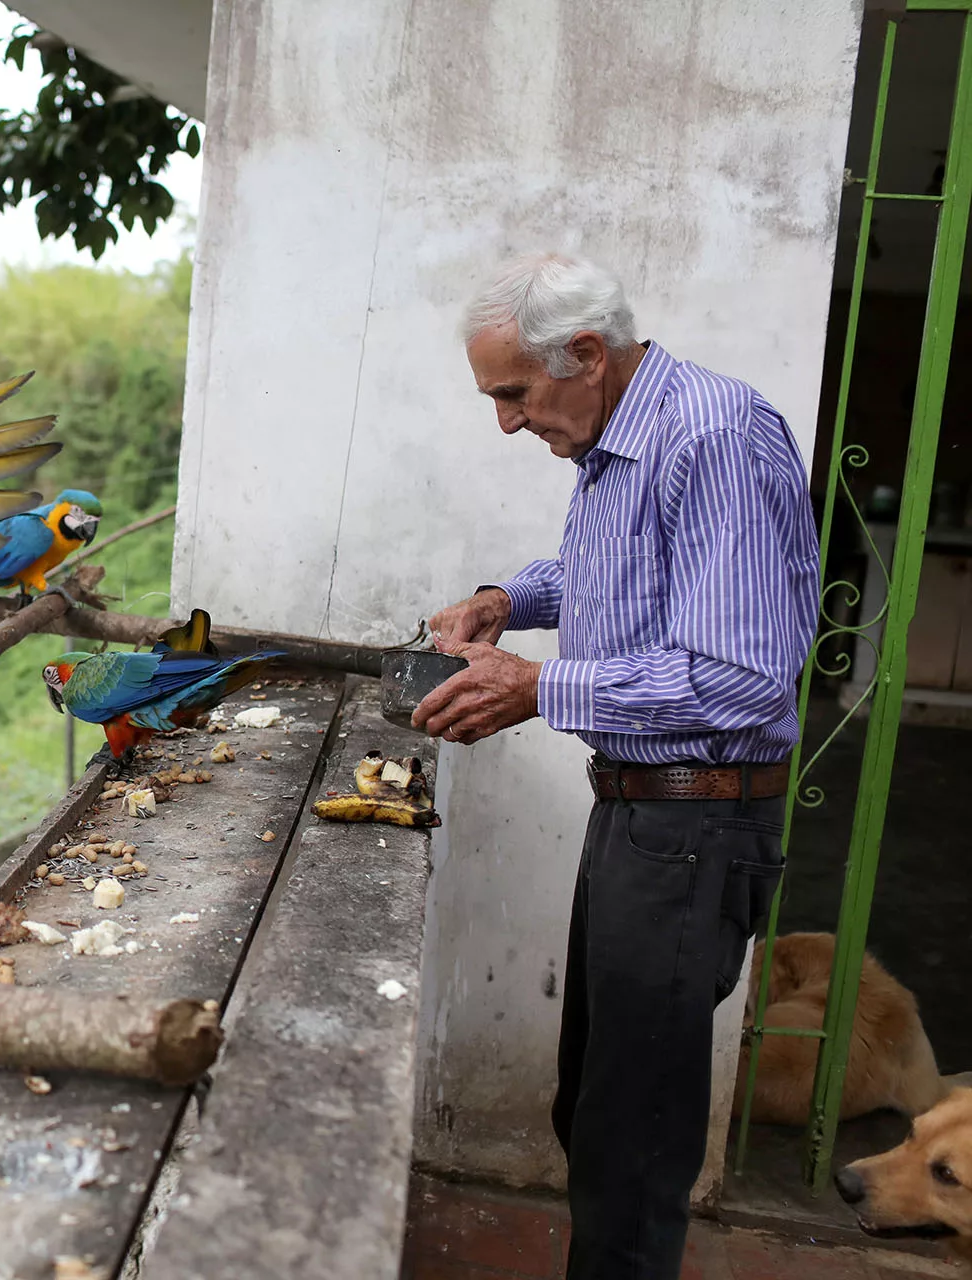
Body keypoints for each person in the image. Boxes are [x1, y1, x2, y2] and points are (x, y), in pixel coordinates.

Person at [414, 252, 818, 1280]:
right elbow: (615, 579)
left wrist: (536, 688)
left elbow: (740, 680)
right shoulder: (616, 438)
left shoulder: (714, 437)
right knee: (593, 1104)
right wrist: (508, 596)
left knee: (631, 1140)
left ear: (586, 354)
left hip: (696, 825)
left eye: (513, 391)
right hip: (641, 815)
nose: (506, 421)